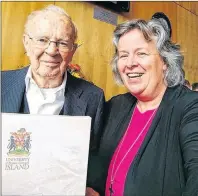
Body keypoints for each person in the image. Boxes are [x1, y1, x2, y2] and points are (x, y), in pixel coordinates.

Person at [87, 18, 198, 196]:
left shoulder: (190, 106)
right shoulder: (116, 106)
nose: (130, 63)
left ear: (165, 62)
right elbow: (97, 158)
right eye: (123, 55)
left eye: (141, 53)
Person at [1, 5, 105, 152]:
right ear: (26, 42)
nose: (51, 51)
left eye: (62, 43)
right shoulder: (2, 83)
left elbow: (93, 158)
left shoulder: (94, 97)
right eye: (42, 40)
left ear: (72, 50)